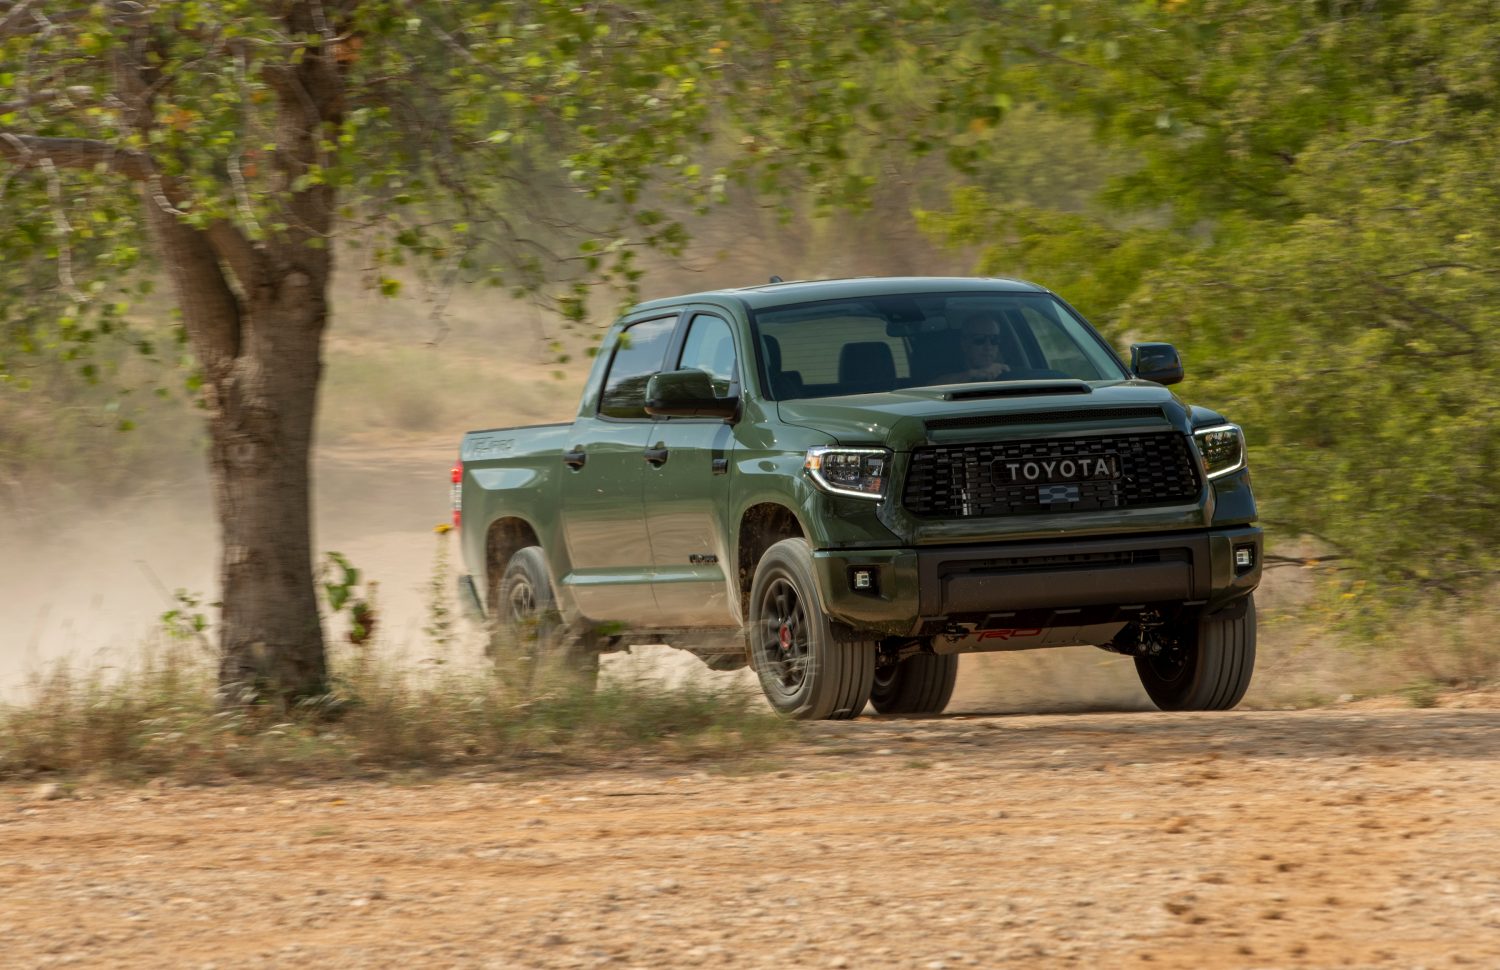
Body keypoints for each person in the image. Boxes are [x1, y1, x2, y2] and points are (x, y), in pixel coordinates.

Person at [932, 309, 1011, 384]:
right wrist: (972, 375)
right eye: (979, 339)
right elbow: (930, 390)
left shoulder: (1008, 372)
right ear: (964, 344)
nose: (988, 347)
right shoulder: (947, 368)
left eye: (994, 339)